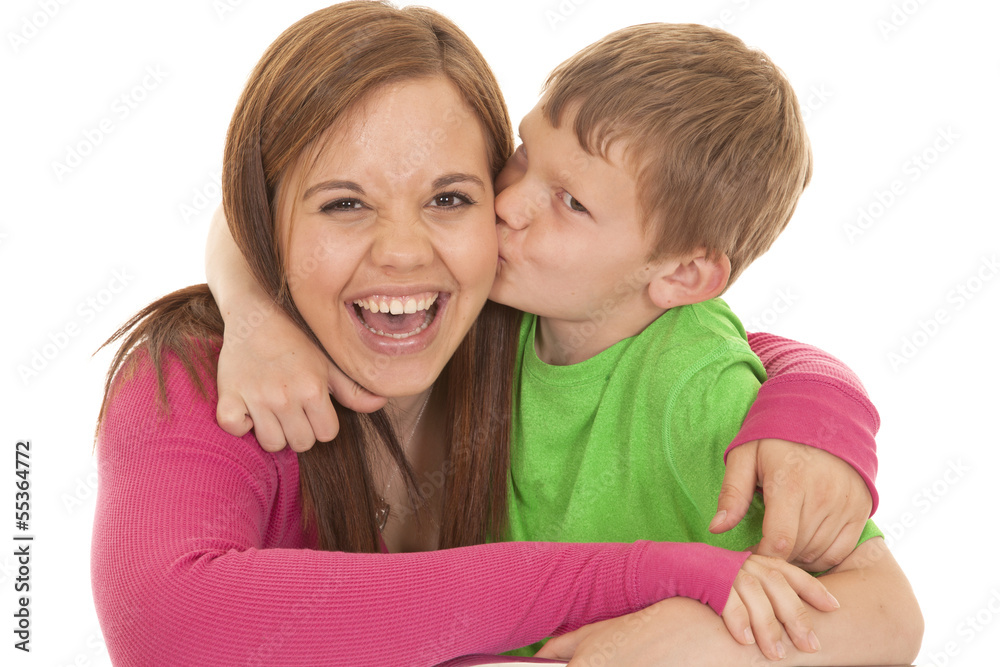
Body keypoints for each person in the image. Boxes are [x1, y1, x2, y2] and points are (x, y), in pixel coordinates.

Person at [90, 4, 836, 666]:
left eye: (450, 197)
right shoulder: (204, 376)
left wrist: (817, 402)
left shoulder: (512, 324)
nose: (405, 252)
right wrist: (637, 573)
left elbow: (689, 338)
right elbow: (168, 627)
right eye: (344, 203)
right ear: (266, 216)